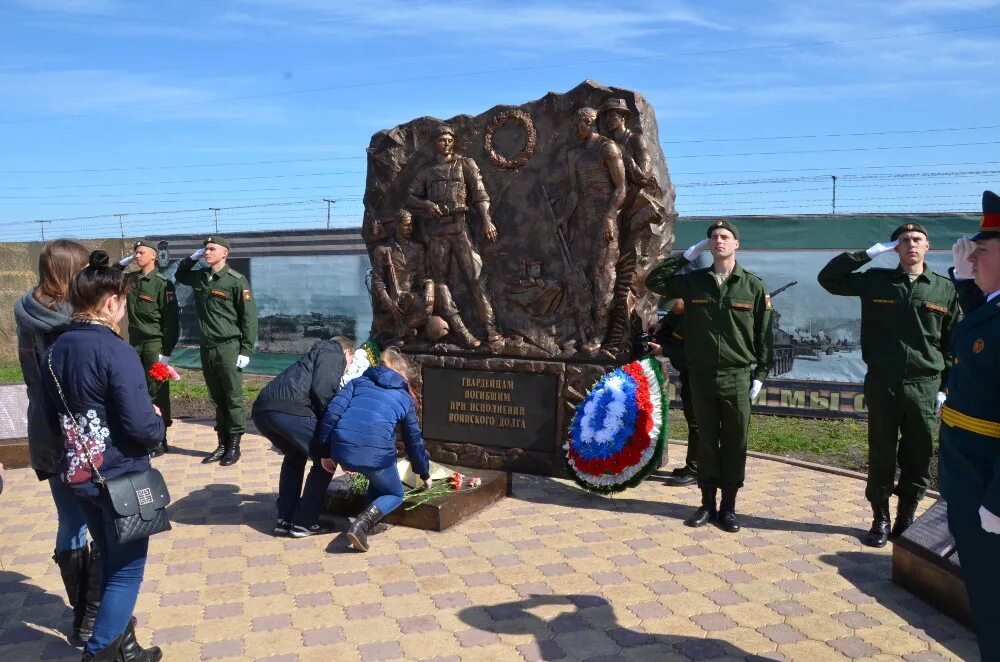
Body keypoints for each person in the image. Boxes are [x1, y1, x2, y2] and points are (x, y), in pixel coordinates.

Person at [42, 250, 164, 661]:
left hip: (78, 474)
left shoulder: (56, 349)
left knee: (110, 559)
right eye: (124, 304)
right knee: (127, 568)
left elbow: (50, 414)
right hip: (119, 477)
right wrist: (157, 420)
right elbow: (140, 426)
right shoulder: (116, 350)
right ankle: (98, 653)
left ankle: (125, 649)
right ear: (112, 301)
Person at [818, 222, 959, 547]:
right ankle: (879, 519)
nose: (910, 244)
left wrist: (944, 387)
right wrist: (868, 254)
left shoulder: (943, 289)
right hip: (883, 383)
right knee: (881, 452)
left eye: (917, 239)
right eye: (903, 240)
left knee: (919, 454)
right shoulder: (876, 281)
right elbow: (829, 279)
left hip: (924, 386)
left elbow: (953, 342)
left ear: (928, 246)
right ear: (895, 247)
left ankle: (905, 519)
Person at [645, 220, 773, 533]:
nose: (718, 241)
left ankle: (728, 507)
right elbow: (654, 280)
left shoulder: (753, 286)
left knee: (734, 442)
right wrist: (690, 254)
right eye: (713, 238)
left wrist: (760, 374)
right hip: (701, 374)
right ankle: (706, 503)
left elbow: (763, 335)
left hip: (736, 376)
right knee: (705, 440)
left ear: (736, 244)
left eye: (725, 237)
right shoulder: (694, 283)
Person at [13, 238, 100, 647]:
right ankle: (92, 618)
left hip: (44, 429)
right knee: (101, 521)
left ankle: (80, 615)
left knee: (70, 522)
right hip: (79, 432)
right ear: (72, 272)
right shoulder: (76, 321)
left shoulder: (27, 309)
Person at [939, 190, 1000, 660]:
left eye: (981, 251)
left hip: (987, 484)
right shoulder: (992, 308)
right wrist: (964, 280)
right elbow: (980, 325)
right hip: (970, 474)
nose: (971, 257)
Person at [315, 348, 432, 552]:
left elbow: (331, 415)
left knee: (379, 479)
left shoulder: (358, 382)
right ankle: (361, 525)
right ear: (402, 373)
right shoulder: (404, 397)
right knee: (395, 493)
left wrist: (324, 452)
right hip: (375, 453)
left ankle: (369, 525)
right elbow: (413, 440)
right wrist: (424, 472)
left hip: (343, 447)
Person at [406, 124, 501, 348]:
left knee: (476, 278)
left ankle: (490, 329)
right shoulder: (426, 171)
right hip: (437, 231)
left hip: (460, 228)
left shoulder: (465, 164)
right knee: (441, 283)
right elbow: (410, 197)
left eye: (449, 139)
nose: (446, 143)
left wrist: (487, 220)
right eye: (441, 140)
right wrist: (426, 204)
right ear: (434, 143)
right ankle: (460, 330)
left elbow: (479, 193)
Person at [251, 338, 353, 537]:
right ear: (347, 352)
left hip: (263, 411)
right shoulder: (333, 350)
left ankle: (285, 519)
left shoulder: (311, 358)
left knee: (294, 457)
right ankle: (304, 522)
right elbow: (323, 391)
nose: (347, 368)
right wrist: (331, 428)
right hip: (292, 411)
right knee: (326, 460)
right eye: (350, 361)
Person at [174, 236, 258, 466]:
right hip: (207, 347)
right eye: (205, 249)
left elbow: (249, 318)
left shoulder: (236, 281)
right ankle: (221, 444)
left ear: (225, 253)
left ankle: (234, 446)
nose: (207, 252)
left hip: (229, 347)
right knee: (216, 397)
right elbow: (180, 276)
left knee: (233, 397)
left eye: (212, 248)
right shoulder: (201, 276)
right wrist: (191, 259)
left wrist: (246, 349)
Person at [559, 106, 627, 354]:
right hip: (582, 220)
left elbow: (620, 188)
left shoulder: (608, 148)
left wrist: (609, 217)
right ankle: (580, 331)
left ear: (589, 123)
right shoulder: (573, 155)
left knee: (602, 277)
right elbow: (574, 191)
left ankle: (600, 334)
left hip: (603, 221)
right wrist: (564, 218)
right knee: (579, 275)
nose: (575, 130)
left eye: (578, 125)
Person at [116, 240, 179, 457]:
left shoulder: (162, 284)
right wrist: (123, 263)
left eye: (141, 252)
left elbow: (171, 321)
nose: (137, 255)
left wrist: (166, 352)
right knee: (139, 390)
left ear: (153, 256)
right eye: (135, 252)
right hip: (135, 344)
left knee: (158, 391)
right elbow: (109, 277)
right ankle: (148, 436)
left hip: (155, 345)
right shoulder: (131, 280)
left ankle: (161, 438)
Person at [651, 299, 700, 486]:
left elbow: (691, 351)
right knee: (693, 420)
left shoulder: (697, 318)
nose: (671, 308)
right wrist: (660, 324)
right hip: (690, 372)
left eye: (675, 302)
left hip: (700, 373)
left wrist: (664, 350)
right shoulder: (682, 311)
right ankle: (694, 465)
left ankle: (696, 470)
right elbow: (673, 317)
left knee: (698, 422)